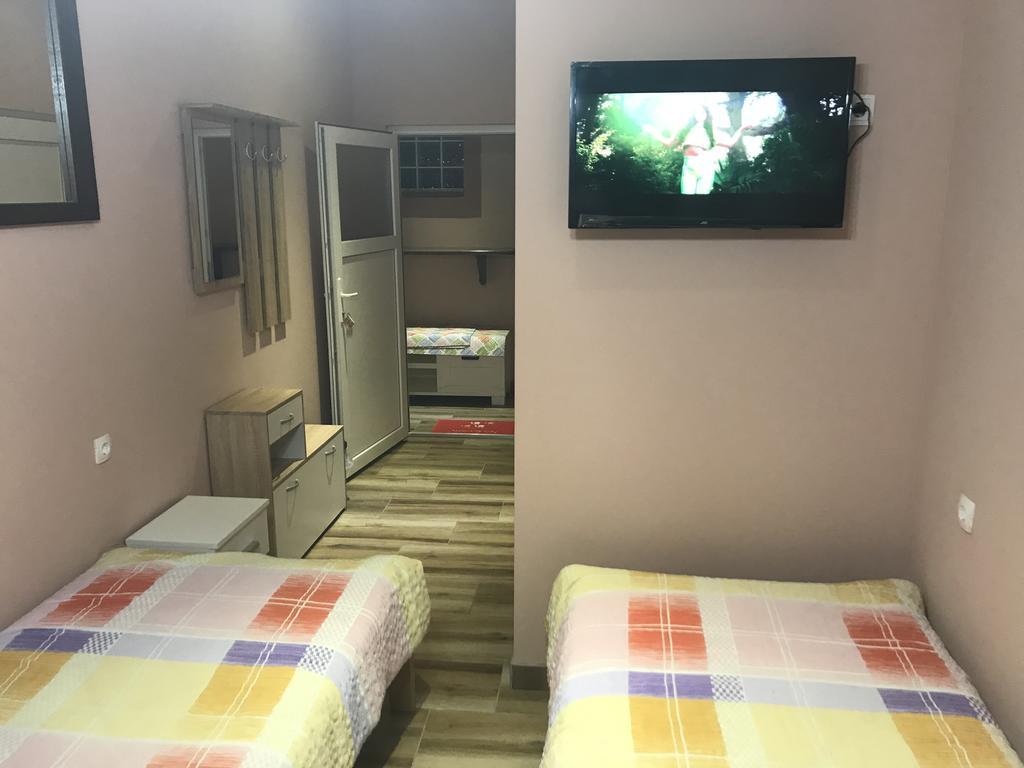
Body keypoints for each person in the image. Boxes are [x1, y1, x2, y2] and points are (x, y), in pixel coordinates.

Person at [644, 104, 755, 194]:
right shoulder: (684, 130)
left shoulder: (710, 131)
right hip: (689, 167)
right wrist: (652, 132)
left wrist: (741, 129)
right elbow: (668, 143)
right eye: (696, 112)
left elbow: (729, 143)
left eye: (702, 112)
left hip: (706, 167)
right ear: (693, 115)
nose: (699, 115)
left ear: (706, 114)